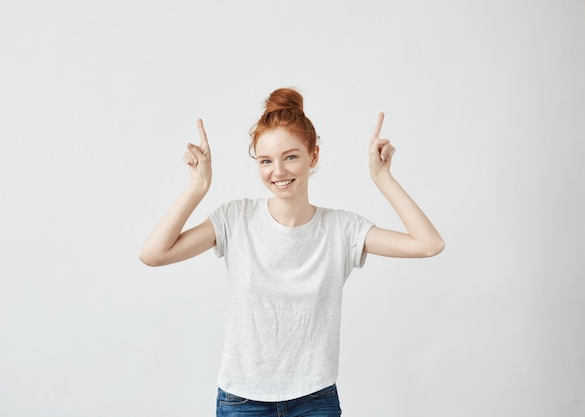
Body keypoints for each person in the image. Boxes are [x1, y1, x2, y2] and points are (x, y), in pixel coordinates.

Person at [139, 88, 445, 417]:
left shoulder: (341, 229)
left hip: (314, 400)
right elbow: (153, 254)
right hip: (243, 400)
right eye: (266, 161)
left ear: (313, 156)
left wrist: (382, 178)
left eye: (291, 156)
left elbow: (429, 244)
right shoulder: (235, 219)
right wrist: (198, 186)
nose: (278, 171)